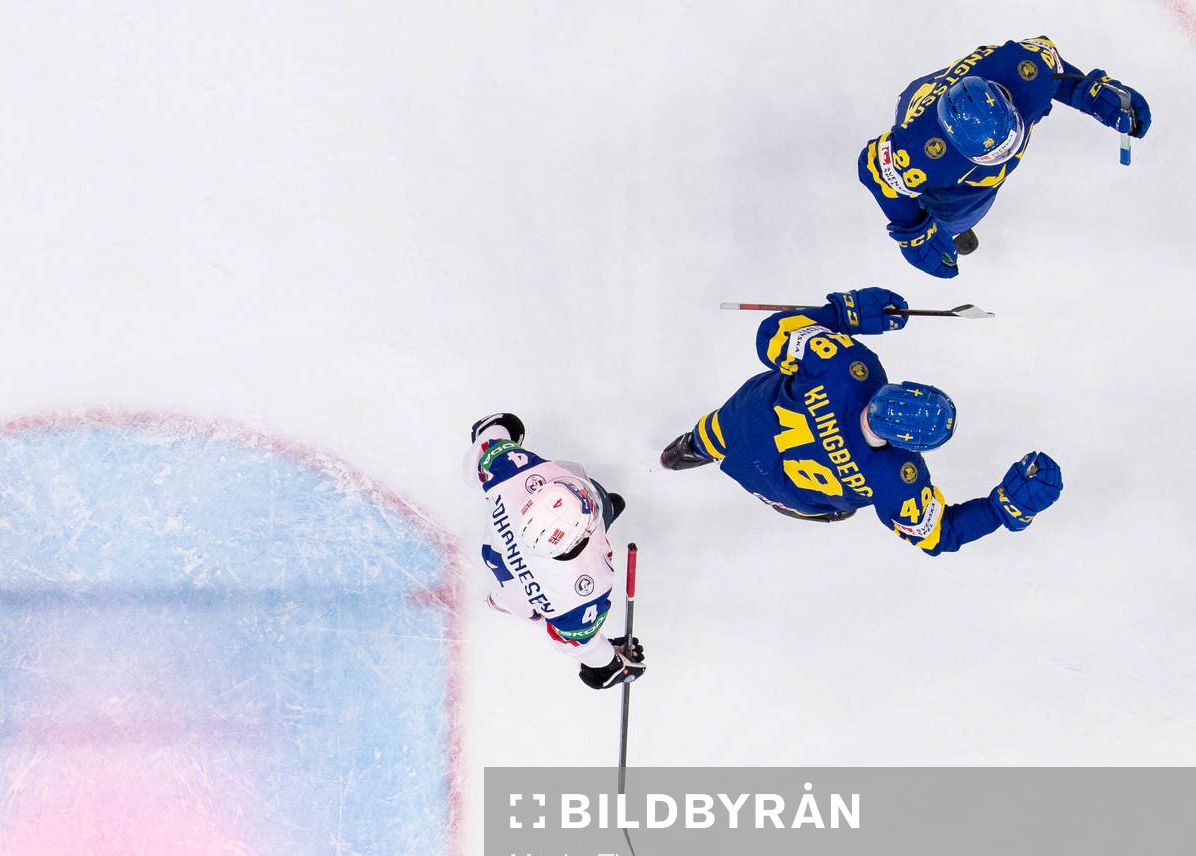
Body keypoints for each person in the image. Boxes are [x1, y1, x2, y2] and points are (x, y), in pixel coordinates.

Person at [659, 288, 1062, 554]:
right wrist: (1003, 510)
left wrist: (842, 314)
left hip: (745, 421)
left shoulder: (848, 366)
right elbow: (941, 535)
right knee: (833, 509)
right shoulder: (900, 480)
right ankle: (814, 509)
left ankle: (690, 449)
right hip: (789, 490)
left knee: (717, 431)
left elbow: (773, 334)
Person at [857, 37, 1151, 275]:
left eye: (1008, 145)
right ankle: (954, 227)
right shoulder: (923, 153)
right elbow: (874, 168)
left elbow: (1056, 68)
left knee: (979, 188)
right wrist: (915, 232)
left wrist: (1092, 94)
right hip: (920, 108)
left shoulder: (1028, 71)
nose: (1006, 156)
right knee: (953, 208)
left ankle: (954, 226)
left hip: (962, 88)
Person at [464, 412, 645, 690]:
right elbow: (578, 644)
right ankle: (503, 601)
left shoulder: (510, 476)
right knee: (531, 610)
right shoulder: (582, 593)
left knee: (521, 602)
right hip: (534, 582)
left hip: (499, 554)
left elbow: (483, 452)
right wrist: (609, 665)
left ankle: (502, 600)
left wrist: (610, 662)